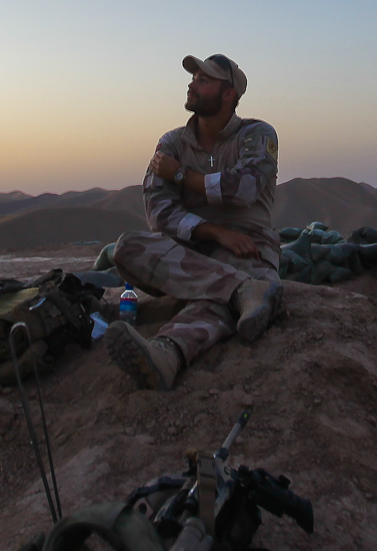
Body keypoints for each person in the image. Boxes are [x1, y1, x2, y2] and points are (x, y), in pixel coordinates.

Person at [102, 54, 284, 391]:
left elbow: (244, 188)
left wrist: (182, 175)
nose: (191, 84)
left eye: (203, 80)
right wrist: (215, 232)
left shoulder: (257, 135)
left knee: (214, 296)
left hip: (248, 246)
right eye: (193, 78)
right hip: (192, 248)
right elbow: (159, 211)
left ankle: (167, 352)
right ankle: (244, 291)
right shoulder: (172, 142)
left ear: (228, 94)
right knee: (127, 246)